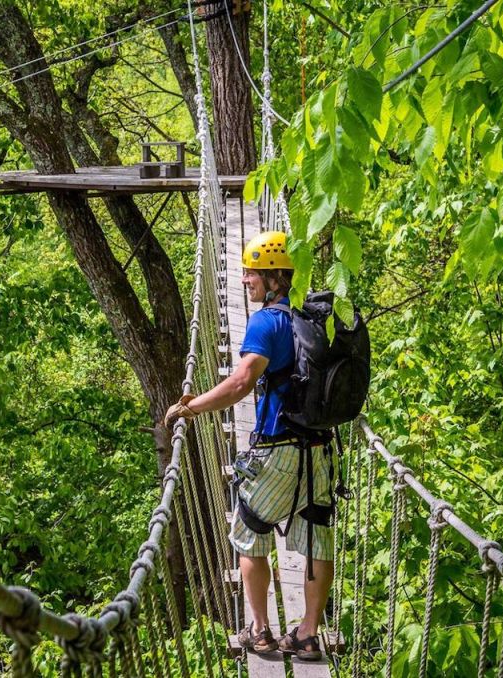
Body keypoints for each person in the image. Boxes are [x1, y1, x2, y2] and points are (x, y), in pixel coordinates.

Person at [164, 230, 334, 661]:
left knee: (248, 530)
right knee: (315, 532)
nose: (244, 280)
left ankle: (260, 630)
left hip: (278, 451)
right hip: (320, 450)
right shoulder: (312, 318)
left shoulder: (266, 323)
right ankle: (309, 633)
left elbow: (242, 381)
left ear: (274, 276)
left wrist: (191, 406)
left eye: (250, 273)